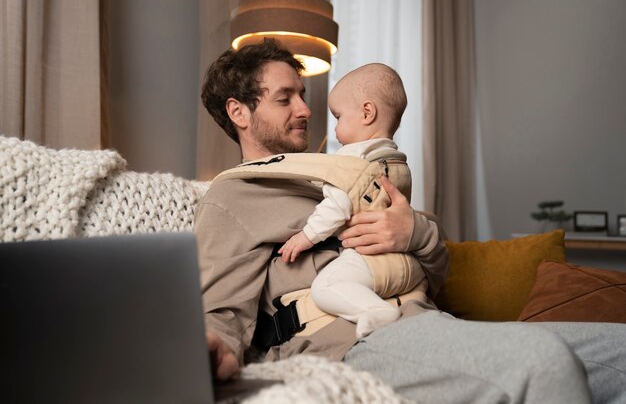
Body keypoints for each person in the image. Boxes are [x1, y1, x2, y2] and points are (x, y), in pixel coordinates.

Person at [196, 38, 626, 404]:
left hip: (428, 321)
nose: (306, 109)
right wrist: (219, 351)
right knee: (542, 363)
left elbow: (437, 272)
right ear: (239, 112)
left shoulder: (348, 167)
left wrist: (415, 232)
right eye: (285, 98)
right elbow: (220, 312)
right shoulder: (234, 194)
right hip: (354, 341)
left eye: (304, 96)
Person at [277, 63, 428, 339]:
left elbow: (337, 205)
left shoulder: (350, 160)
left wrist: (305, 237)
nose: (335, 129)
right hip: (409, 266)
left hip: (369, 259)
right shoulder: (395, 160)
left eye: (338, 117)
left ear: (367, 113)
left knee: (326, 287)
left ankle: (377, 312)